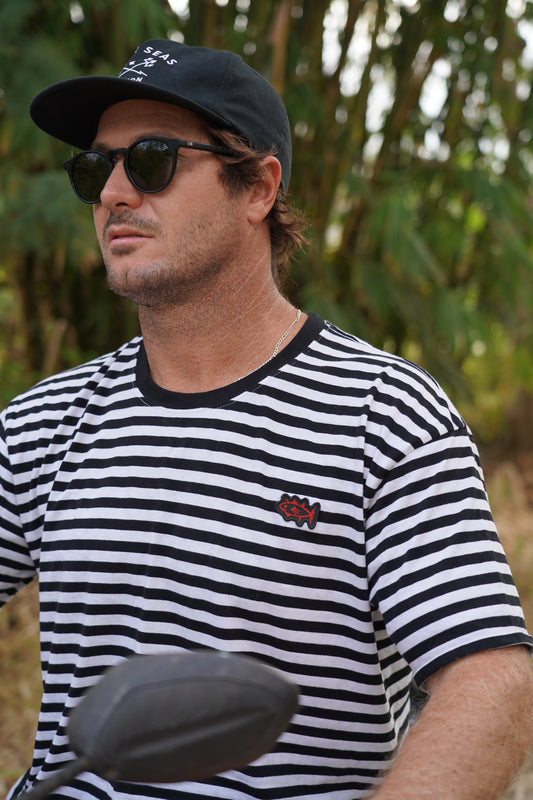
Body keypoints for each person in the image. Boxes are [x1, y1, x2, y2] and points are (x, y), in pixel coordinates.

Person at [1, 37, 533, 800]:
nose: (113, 192)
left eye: (151, 160)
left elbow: (489, 683)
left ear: (257, 188)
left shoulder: (380, 416)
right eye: (94, 168)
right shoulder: (46, 421)